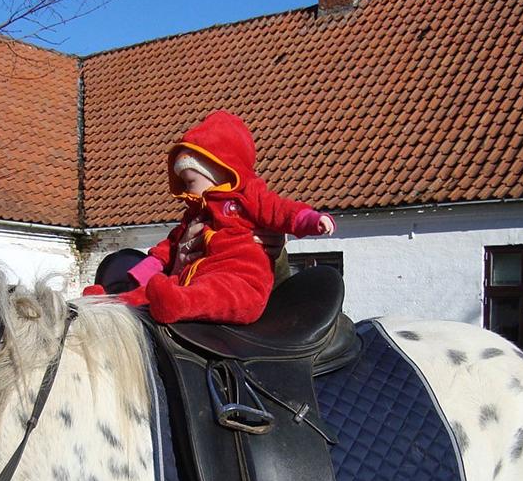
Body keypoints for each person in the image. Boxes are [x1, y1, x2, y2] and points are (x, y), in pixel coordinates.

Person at [84, 110, 335, 324]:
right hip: (191, 279)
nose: (185, 190)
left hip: (239, 280)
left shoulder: (248, 198)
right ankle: (108, 304)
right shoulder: (193, 215)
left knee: (221, 294)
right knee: (145, 296)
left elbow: (282, 210)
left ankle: (173, 303)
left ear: (221, 172)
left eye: (190, 181)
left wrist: (310, 220)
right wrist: (144, 274)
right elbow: (164, 251)